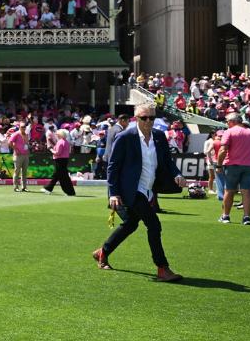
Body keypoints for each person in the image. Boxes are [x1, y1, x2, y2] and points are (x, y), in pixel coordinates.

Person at [93, 103, 185, 282]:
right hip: (130, 191)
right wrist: (114, 193)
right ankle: (162, 268)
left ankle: (102, 252)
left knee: (131, 224)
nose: (148, 121)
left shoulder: (159, 136)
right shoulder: (125, 137)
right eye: (144, 118)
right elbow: (113, 167)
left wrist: (177, 174)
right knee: (154, 224)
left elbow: (167, 161)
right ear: (136, 119)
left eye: (152, 117)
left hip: (149, 189)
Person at [217, 112, 250, 224]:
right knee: (247, 191)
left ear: (233, 121)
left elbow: (223, 150)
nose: (227, 124)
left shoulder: (229, 132)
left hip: (232, 165)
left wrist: (218, 165)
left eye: (227, 121)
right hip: (249, 165)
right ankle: (247, 217)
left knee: (229, 190)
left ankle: (225, 216)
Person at [41, 127, 76, 196]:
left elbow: (57, 153)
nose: (56, 135)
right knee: (61, 176)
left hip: (60, 160)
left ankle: (48, 189)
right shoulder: (66, 142)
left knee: (59, 176)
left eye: (57, 134)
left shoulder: (60, 142)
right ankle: (70, 192)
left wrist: (50, 149)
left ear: (60, 135)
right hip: (64, 160)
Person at [7, 121, 30, 191]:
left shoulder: (26, 134)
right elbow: (9, 142)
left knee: (24, 172)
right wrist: (16, 150)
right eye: (22, 127)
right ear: (19, 127)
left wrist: (28, 150)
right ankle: (16, 187)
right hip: (18, 155)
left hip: (25, 155)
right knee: (17, 171)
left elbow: (26, 144)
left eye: (24, 127)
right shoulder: (16, 134)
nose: (24, 128)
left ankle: (24, 187)